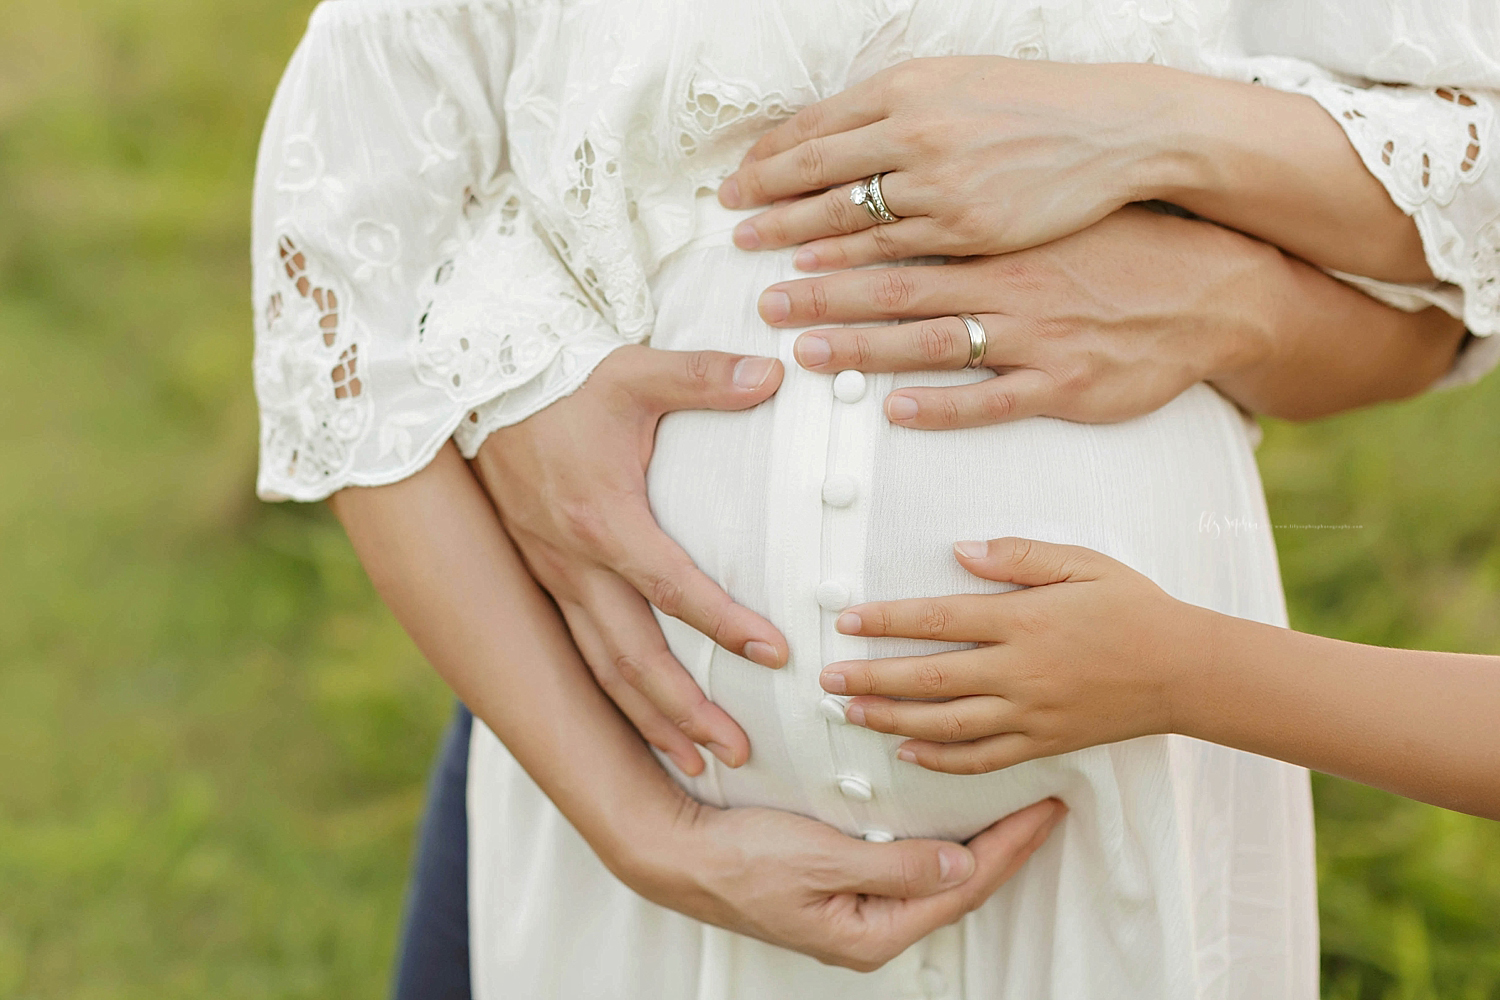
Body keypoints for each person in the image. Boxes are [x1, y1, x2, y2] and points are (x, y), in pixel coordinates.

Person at [249, 1, 1499, 997]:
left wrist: (1149, 128)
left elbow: (1456, 259)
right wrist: (648, 831)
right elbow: (342, 306)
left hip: (1109, 833)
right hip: (610, 805)